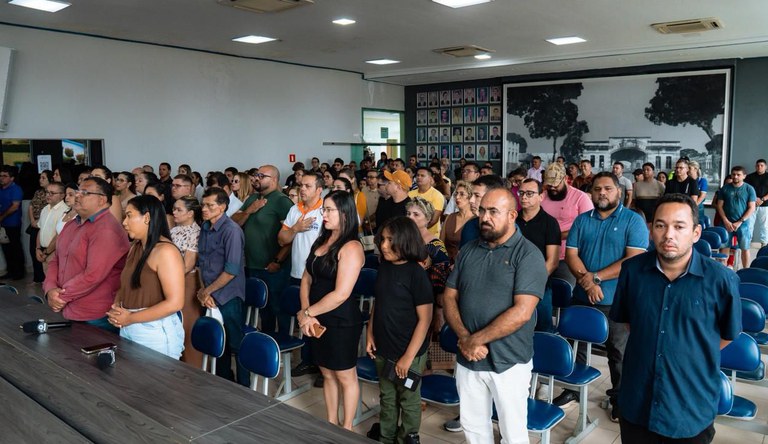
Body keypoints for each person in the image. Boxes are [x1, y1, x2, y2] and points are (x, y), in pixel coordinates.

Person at [610, 193, 741, 443]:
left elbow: (727, 335)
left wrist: (686, 352)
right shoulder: (632, 271)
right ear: (651, 230)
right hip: (637, 402)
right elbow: (630, 323)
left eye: (679, 226)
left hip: (690, 407)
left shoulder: (722, 280)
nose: (669, 234)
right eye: (661, 225)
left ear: (696, 233)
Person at [443, 188, 547, 443]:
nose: (484, 217)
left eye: (493, 212)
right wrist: (465, 338)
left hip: (508, 361)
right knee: (473, 428)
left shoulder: (528, 254)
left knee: (512, 434)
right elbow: (449, 297)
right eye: (482, 211)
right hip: (469, 358)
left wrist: (475, 340)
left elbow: (522, 312)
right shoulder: (469, 250)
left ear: (512, 215)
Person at [557, 172, 649, 420]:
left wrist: (595, 278)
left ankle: (620, 397)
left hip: (618, 299)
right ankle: (573, 389)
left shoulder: (633, 220)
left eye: (608, 188)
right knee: (576, 345)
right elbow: (571, 254)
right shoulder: (582, 220)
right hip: (582, 296)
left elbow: (633, 259)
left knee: (618, 353)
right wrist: (587, 282)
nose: (602, 193)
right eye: (597, 189)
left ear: (619, 191)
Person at [296, 191, 364, 431]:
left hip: (340, 320)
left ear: (344, 213)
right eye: (323, 209)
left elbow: (341, 294)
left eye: (329, 210)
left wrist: (307, 313)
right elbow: (306, 279)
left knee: (345, 375)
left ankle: (347, 428)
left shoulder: (352, 247)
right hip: (315, 317)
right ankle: (332, 422)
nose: (323, 214)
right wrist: (306, 312)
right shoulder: (321, 241)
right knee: (327, 373)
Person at [366, 216, 433, 444]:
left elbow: (425, 319)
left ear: (405, 241)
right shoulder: (384, 266)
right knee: (387, 397)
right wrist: (370, 333)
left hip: (408, 352)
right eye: (383, 239)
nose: (384, 245)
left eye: (390, 241)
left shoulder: (416, 274)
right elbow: (378, 302)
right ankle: (386, 437)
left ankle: (407, 438)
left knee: (409, 399)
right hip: (384, 347)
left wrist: (408, 357)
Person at [43, 177, 130, 332]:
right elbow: (56, 259)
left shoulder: (106, 229)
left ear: (102, 200)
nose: (77, 195)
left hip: (95, 314)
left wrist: (60, 297)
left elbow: (93, 274)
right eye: (78, 191)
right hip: (68, 307)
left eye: (85, 192)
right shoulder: (72, 224)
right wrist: (50, 289)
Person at [107, 195, 185, 359]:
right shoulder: (135, 248)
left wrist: (131, 318)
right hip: (130, 324)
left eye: (129, 216)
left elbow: (175, 303)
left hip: (154, 330)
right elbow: (125, 285)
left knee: (154, 375)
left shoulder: (166, 252)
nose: (124, 222)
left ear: (147, 218)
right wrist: (117, 307)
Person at [197, 188, 249, 386]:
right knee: (219, 342)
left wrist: (207, 291)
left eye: (210, 205)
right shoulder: (205, 227)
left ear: (222, 207)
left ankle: (245, 386)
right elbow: (201, 263)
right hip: (209, 294)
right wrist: (204, 292)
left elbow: (231, 270)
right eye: (203, 205)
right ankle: (225, 380)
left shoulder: (232, 231)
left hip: (228, 295)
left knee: (236, 343)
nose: (204, 209)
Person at [232, 165, 293, 333]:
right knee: (264, 311)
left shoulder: (281, 201)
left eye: (262, 176)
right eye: (256, 175)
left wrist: (277, 261)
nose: (256, 178)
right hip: (252, 265)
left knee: (278, 308)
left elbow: (291, 236)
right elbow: (234, 222)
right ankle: (266, 341)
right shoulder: (252, 199)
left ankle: (284, 343)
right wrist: (249, 211)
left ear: (274, 179)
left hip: (273, 267)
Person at [278, 172, 324, 377]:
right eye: (301, 186)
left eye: (307, 186)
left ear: (319, 190)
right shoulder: (294, 209)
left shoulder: (325, 211)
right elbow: (282, 239)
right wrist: (295, 228)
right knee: (304, 317)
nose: (302, 189)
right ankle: (308, 361)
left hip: (318, 275)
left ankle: (322, 366)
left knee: (319, 318)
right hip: (297, 272)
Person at [517, 179, 561, 333]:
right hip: (511, 283)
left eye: (529, 193)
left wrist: (531, 283)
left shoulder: (550, 223)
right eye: (521, 193)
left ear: (541, 196)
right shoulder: (511, 219)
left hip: (540, 285)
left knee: (543, 330)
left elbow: (552, 262)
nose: (524, 197)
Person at [540, 163, 594, 287]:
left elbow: (588, 228)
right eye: (549, 185)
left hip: (568, 257)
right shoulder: (542, 197)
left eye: (555, 184)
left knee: (563, 289)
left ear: (565, 179)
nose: (552, 188)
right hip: (543, 254)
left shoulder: (580, 198)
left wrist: (557, 236)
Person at [171, 195, 204, 367]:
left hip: (186, 281)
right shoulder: (174, 230)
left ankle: (193, 368)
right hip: (172, 280)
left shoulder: (195, 233)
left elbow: (187, 265)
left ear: (190, 213)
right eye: (174, 209)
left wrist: (166, 275)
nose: (174, 212)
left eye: (179, 210)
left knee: (187, 325)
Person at [716, 166, 757, 268]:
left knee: (745, 248)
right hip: (726, 223)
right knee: (724, 247)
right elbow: (719, 206)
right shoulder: (725, 188)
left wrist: (740, 222)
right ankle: (723, 271)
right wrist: (726, 221)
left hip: (743, 224)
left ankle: (746, 271)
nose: (735, 176)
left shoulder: (749, 189)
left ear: (744, 176)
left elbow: (752, 208)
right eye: (733, 174)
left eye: (738, 175)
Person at [35, 181, 69, 273]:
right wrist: (38, 248)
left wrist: (47, 252)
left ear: (62, 195)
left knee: (55, 279)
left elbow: (59, 236)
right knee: (47, 278)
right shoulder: (45, 209)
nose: (48, 195)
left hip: (55, 252)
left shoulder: (65, 211)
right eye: (47, 192)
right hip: (43, 251)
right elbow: (41, 229)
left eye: (52, 193)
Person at [27, 170, 53, 282]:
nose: (40, 180)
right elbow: (31, 206)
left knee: (45, 252)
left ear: (50, 179)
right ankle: (38, 278)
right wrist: (33, 220)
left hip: (45, 225)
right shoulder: (38, 192)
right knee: (33, 250)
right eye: (40, 177)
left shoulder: (53, 193)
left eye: (43, 178)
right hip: (34, 225)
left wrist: (39, 221)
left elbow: (49, 209)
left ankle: (46, 278)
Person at [0, 166, 25, 280]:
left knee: (15, 248)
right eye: (0, 176)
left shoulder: (16, 189)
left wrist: (2, 217)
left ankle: (19, 273)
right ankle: (10, 271)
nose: (1, 178)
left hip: (13, 224)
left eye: (5, 176)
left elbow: (15, 206)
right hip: (3, 224)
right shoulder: (1, 189)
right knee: (6, 249)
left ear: (12, 178)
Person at [408, 167, 445, 237]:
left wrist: (417, 231)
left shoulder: (437, 195)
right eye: (417, 175)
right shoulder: (410, 194)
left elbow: (434, 220)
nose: (419, 177)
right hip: (411, 234)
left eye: (422, 176)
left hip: (430, 235)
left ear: (430, 179)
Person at [440, 180, 472, 259]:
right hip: (446, 261)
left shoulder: (475, 221)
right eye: (456, 194)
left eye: (462, 194)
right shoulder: (449, 217)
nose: (457, 197)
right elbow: (441, 243)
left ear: (470, 197)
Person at [746, 159, 768, 247]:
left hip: (765, 205)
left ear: (765, 167)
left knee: (765, 226)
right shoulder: (749, 177)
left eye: (762, 165)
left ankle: (764, 244)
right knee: (749, 224)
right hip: (752, 204)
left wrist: (762, 199)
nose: (759, 167)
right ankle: (747, 242)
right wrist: (754, 199)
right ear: (755, 166)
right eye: (758, 165)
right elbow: (746, 190)